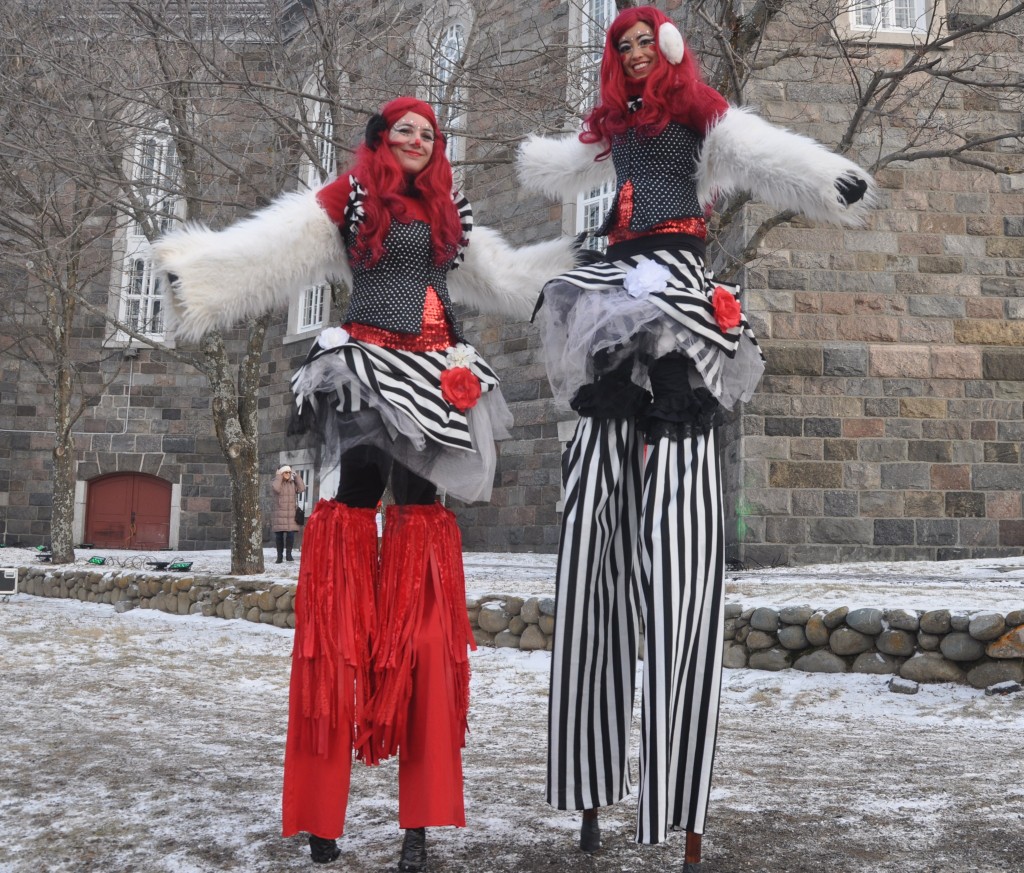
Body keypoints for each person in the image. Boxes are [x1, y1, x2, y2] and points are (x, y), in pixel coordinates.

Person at [153, 96, 576, 870]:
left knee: (421, 582)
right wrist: (203, 276)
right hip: (365, 375)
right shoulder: (350, 198)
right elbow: (276, 249)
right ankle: (322, 811)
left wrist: (581, 261)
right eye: (403, 129)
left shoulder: (454, 211)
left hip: (439, 379)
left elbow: (510, 277)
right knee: (346, 550)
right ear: (382, 140)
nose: (416, 139)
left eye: (429, 131)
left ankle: (419, 820)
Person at [516, 7, 875, 871]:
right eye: (624, 48)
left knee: (679, 436)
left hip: (674, 277)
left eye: (646, 44)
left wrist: (831, 180)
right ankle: (592, 777)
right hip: (614, 278)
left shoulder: (698, 113)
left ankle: (680, 804)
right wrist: (532, 162)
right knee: (600, 463)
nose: (636, 56)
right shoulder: (615, 127)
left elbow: (762, 152)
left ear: (668, 51)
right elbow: (559, 166)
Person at [269, 465, 305, 563]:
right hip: (279, 513)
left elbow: (302, 488)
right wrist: (279, 477)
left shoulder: (292, 483)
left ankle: (289, 555)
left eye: (289, 472)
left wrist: (296, 476)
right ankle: (279, 557)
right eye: (286, 472)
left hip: (291, 514)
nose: (288, 474)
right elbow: (276, 489)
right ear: (281, 473)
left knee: (290, 535)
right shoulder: (275, 481)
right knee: (279, 536)